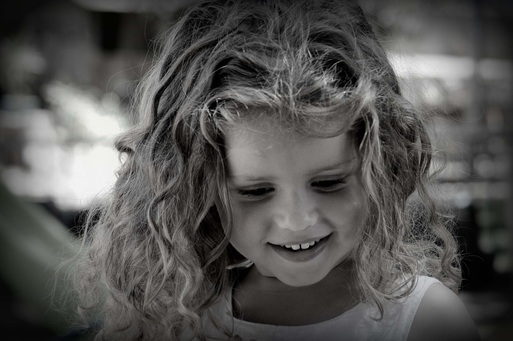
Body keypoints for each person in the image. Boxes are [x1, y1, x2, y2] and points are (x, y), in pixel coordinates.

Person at [70, 0, 481, 340]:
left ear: (381, 167)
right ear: (196, 188)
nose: (297, 220)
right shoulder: (169, 320)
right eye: (255, 191)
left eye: (329, 182)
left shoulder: (424, 322)